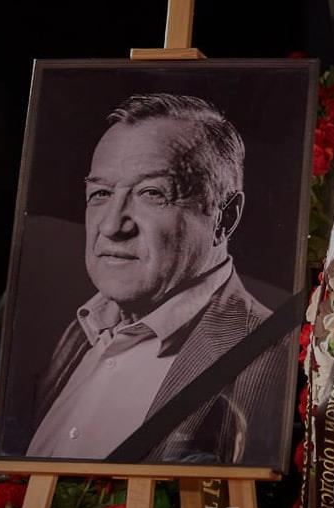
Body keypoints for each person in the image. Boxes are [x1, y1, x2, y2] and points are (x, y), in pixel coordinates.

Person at [26, 93, 289, 464]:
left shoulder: (270, 361)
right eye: (101, 193)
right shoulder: (80, 331)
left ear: (225, 217)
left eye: (152, 193)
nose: (112, 226)